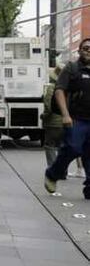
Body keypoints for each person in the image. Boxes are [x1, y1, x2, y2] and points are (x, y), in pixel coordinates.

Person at [45, 39, 90, 199]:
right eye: (85, 48)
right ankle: (52, 174)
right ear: (79, 51)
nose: (88, 51)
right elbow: (59, 91)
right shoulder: (72, 68)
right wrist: (65, 115)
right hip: (76, 119)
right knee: (73, 148)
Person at [43, 65, 64, 167]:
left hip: (53, 123)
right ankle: (62, 170)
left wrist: (43, 116)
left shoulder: (52, 88)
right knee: (62, 146)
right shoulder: (68, 88)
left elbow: (48, 107)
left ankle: (53, 169)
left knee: (50, 145)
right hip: (65, 122)